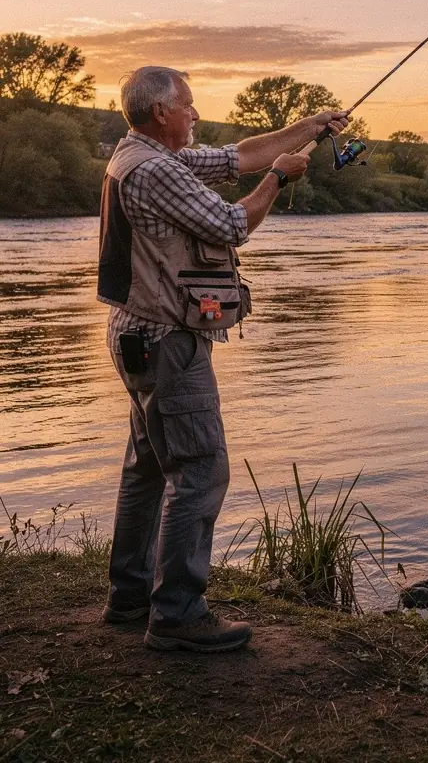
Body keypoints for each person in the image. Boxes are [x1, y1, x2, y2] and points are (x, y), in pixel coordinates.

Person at [97, 65, 348, 652]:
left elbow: (239, 156)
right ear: (161, 112)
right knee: (201, 470)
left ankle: (130, 594)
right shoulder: (158, 169)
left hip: (136, 335)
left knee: (148, 467)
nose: (194, 112)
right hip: (166, 341)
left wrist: (308, 126)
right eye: (187, 105)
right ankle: (178, 615)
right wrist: (279, 182)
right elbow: (233, 224)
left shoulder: (137, 155)